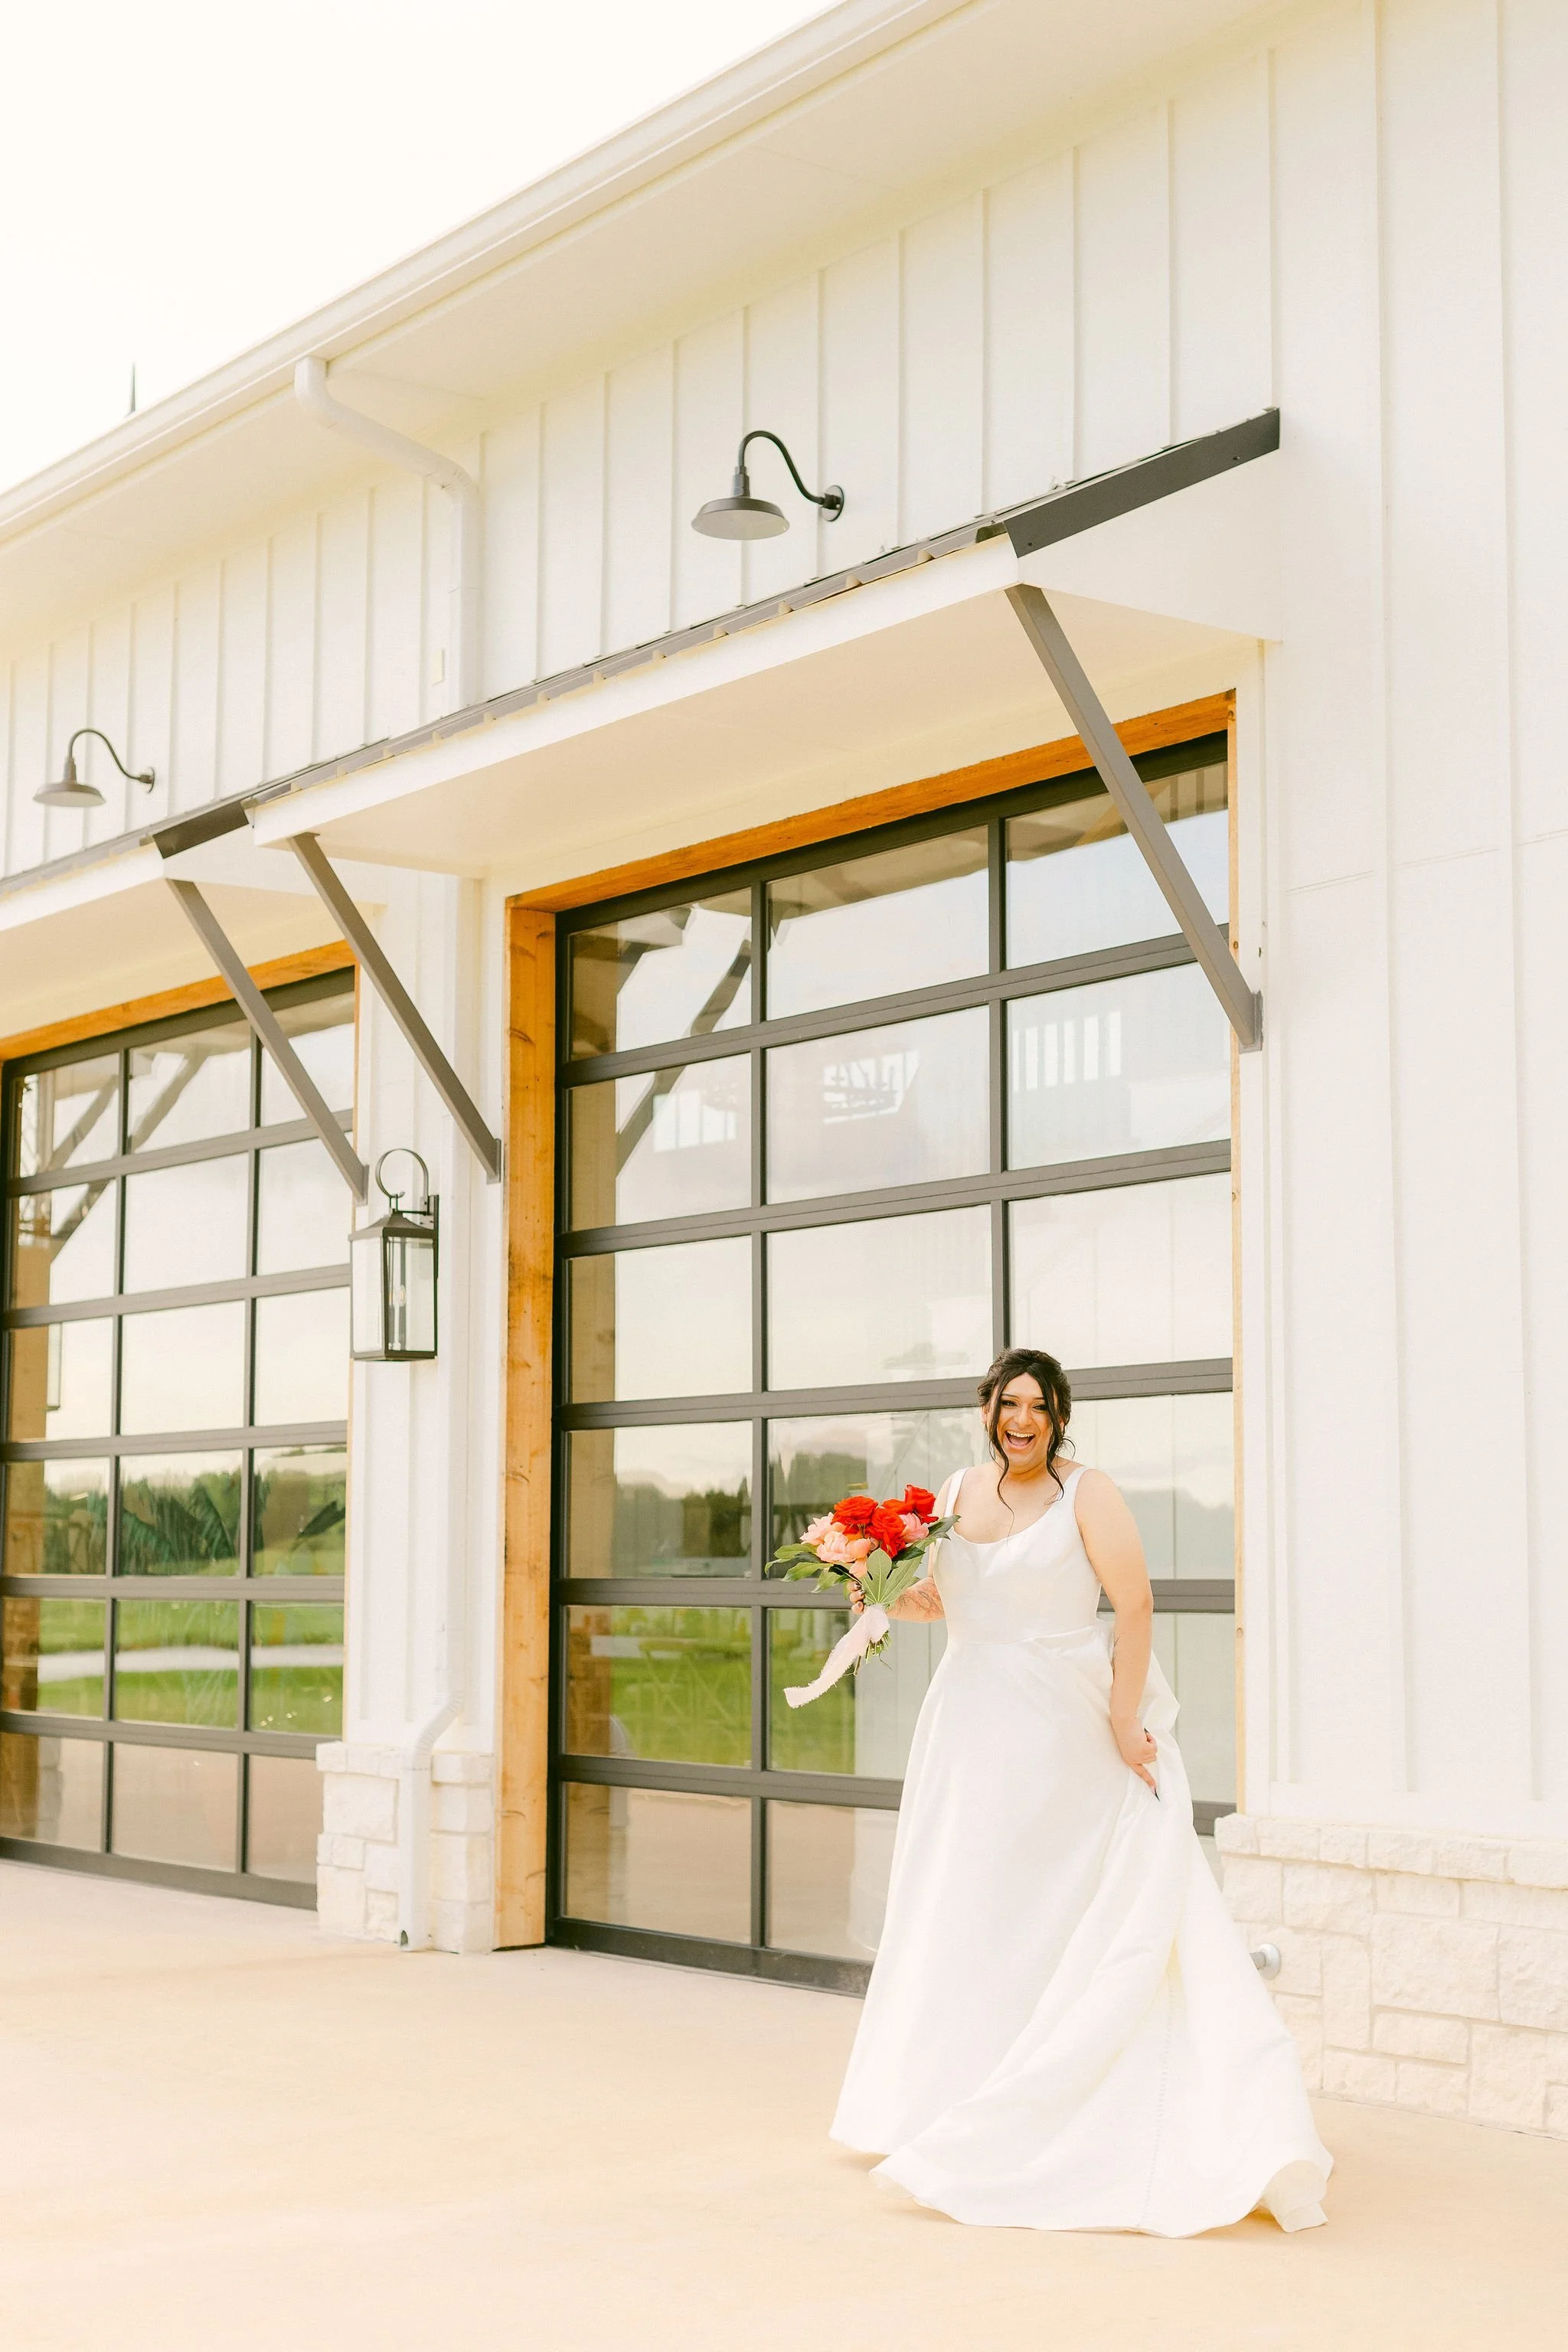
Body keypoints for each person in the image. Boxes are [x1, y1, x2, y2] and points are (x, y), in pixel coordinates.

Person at [831, 1345, 1331, 2236]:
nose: (1021, 1419)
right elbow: (937, 1601)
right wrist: (878, 1587)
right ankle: (951, 2102)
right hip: (968, 1725)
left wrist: (1122, 1718)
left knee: (1057, 1907)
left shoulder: (1085, 1492)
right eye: (1007, 1403)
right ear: (985, 1409)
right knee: (966, 1907)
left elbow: (1131, 1605)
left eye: (1039, 1406)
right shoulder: (950, 1493)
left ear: (1058, 1415)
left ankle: (1070, 2102)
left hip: (1061, 1724)